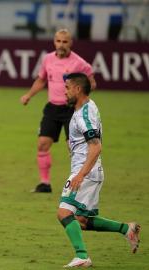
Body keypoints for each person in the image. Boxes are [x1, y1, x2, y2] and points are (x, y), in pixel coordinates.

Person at [58, 72, 140, 267]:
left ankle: (82, 255)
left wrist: (81, 174)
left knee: (64, 213)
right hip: (90, 171)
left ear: (78, 89)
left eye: (67, 88)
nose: (64, 91)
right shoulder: (84, 108)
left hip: (86, 171)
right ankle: (126, 229)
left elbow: (96, 146)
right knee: (81, 221)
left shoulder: (85, 114)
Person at [20, 29, 96, 193]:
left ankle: (79, 182)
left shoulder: (79, 63)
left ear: (71, 43)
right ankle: (45, 183)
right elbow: (41, 80)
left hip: (71, 109)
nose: (61, 45)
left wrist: (79, 96)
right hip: (52, 108)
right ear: (54, 41)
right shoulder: (47, 59)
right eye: (58, 41)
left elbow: (92, 83)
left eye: (65, 42)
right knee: (42, 144)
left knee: (73, 147)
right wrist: (29, 95)